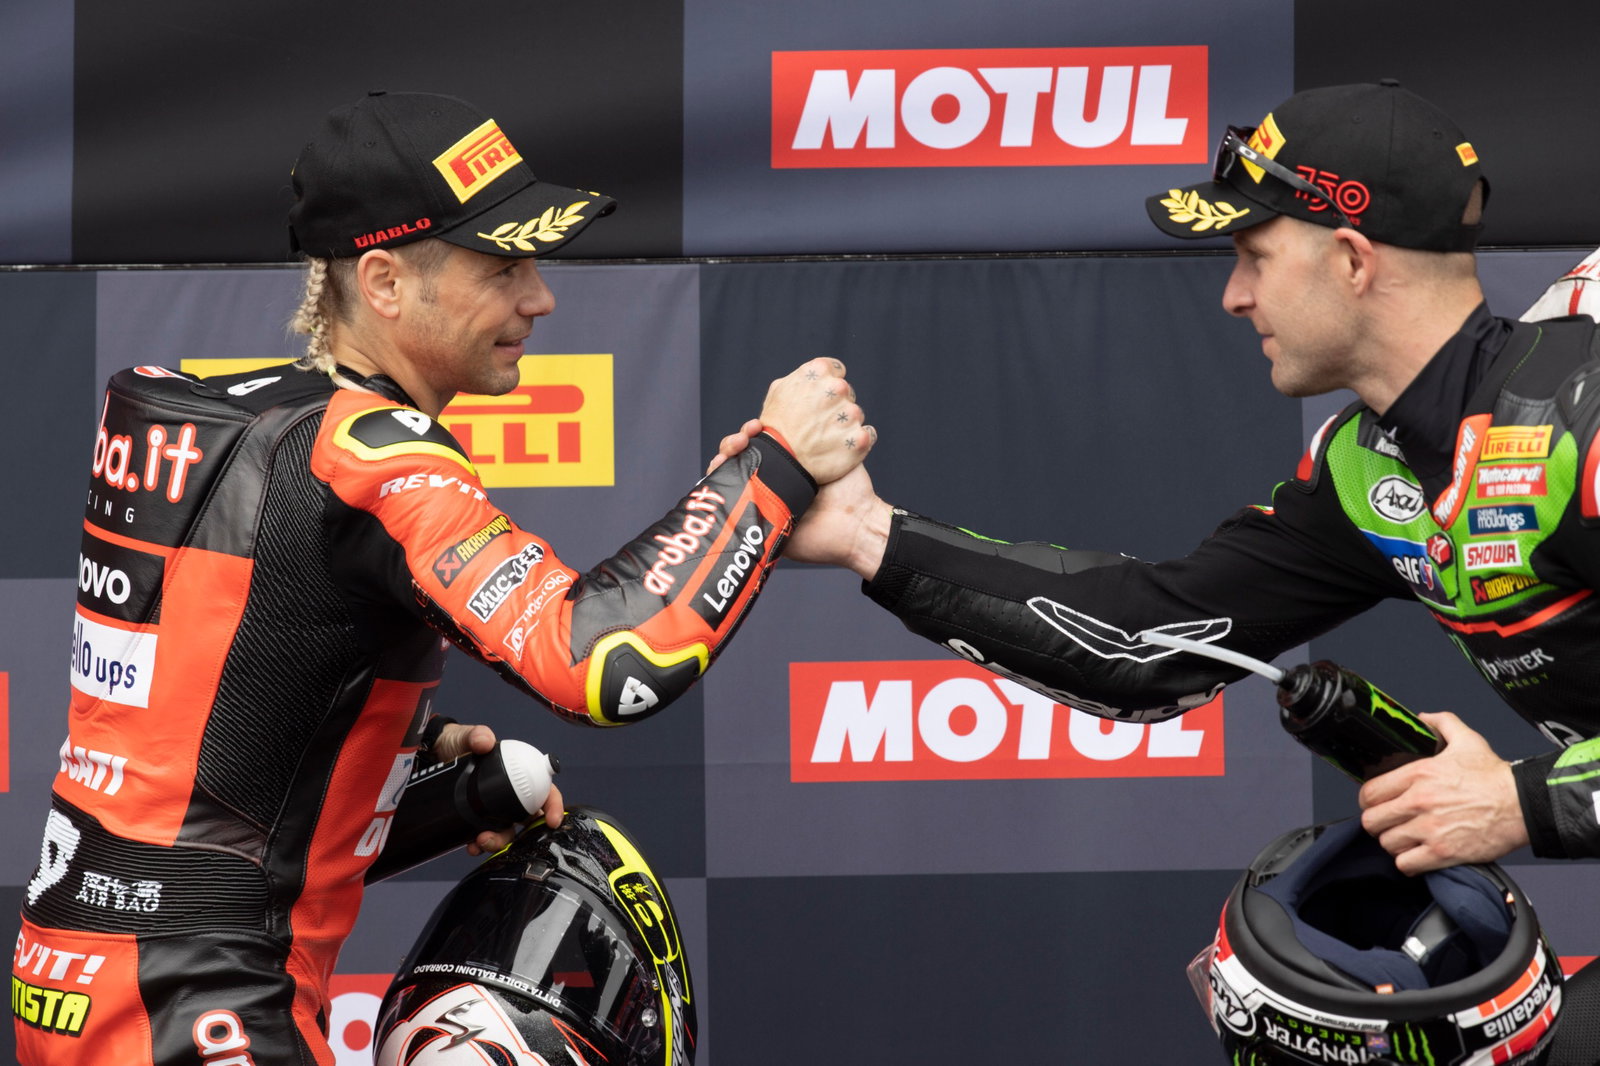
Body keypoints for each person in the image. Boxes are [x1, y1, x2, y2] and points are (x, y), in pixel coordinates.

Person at [14, 91, 872, 1065]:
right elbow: (602, 662)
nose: (538, 297)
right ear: (382, 280)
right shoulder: (366, 454)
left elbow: (206, 737)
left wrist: (408, 765)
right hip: (202, 1005)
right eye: (501, 264)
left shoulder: (188, 415)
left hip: (78, 984)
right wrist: (772, 471)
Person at [716, 81, 1600, 877]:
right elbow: (1148, 641)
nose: (1234, 296)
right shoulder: (1368, 469)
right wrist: (867, 533)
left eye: (1253, 255)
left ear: (1352, 260)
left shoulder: (1579, 419)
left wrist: (1519, 801)